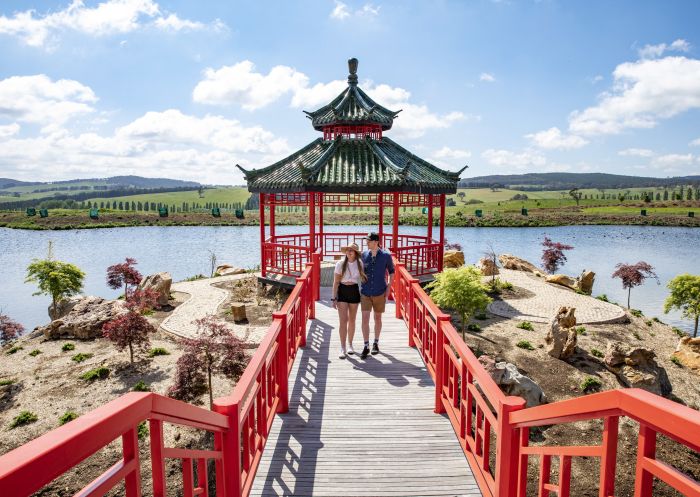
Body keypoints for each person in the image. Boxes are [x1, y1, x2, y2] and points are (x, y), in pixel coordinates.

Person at [359, 232, 395, 359]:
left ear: (375, 242)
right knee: (365, 319)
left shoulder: (386, 256)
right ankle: (366, 345)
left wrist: (389, 288)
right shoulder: (363, 255)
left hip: (380, 291)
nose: (366, 243)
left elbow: (392, 272)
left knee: (377, 318)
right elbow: (359, 269)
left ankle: (376, 342)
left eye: (368, 241)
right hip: (366, 292)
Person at [331, 243, 367, 359]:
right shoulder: (340, 264)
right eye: (348, 250)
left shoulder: (359, 263)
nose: (349, 252)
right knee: (343, 321)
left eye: (352, 250)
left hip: (354, 291)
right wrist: (334, 298)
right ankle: (342, 347)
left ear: (355, 253)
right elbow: (336, 282)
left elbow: (363, 280)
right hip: (342, 290)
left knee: (352, 320)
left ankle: (350, 345)